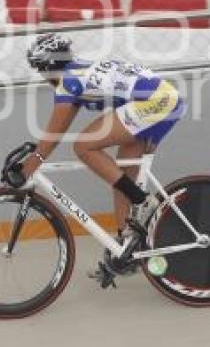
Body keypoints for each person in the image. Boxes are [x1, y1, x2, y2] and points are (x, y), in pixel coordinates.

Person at [19, 33, 185, 265]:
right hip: (160, 99)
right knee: (121, 176)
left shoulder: (68, 82)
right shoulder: (78, 73)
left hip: (153, 102)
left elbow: (55, 132)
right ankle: (124, 246)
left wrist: (35, 158)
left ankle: (143, 200)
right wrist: (38, 155)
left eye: (40, 70)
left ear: (46, 67)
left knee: (83, 145)